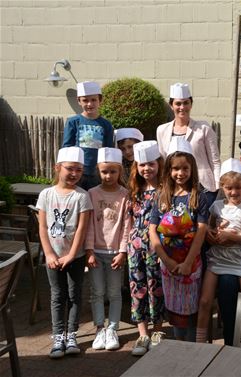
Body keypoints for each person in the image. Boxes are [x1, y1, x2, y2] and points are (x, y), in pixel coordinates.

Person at [148, 138, 208, 341]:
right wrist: (167, 259)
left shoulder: (198, 196)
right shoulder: (162, 196)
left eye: (185, 168)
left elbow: (201, 231)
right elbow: (152, 230)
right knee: (174, 307)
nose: (180, 173)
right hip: (169, 264)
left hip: (191, 263)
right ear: (168, 170)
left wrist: (189, 261)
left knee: (190, 306)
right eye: (175, 169)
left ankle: (189, 347)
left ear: (192, 169)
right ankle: (178, 345)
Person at [36, 147, 92, 358]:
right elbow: (42, 227)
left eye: (79, 170)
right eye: (70, 168)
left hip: (75, 257)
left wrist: (71, 255)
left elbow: (81, 229)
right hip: (53, 257)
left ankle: (72, 336)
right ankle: (58, 336)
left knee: (74, 294)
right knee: (57, 295)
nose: (74, 173)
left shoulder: (82, 196)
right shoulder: (46, 195)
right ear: (57, 168)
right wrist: (49, 254)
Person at [196, 159, 241, 342]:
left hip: (239, 261)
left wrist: (230, 237)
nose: (233, 192)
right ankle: (200, 340)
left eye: (238, 187)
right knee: (206, 301)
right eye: (229, 188)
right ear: (222, 187)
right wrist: (214, 233)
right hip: (217, 259)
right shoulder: (216, 207)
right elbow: (208, 230)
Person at [85, 148, 129, 351]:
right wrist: (90, 250)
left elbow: (126, 225)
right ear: (98, 171)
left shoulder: (125, 195)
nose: (108, 176)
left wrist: (122, 251)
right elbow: (89, 225)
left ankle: (112, 328)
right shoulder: (92, 194)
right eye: (104, 172)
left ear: (119, 171)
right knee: (97, 292)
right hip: (96, 252)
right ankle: (99, 328)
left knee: (114, 293)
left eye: (112, 171)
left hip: (114, 254)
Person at [125, 141, 165, 356]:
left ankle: (158, 330)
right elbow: (129, 220)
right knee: (137, 287)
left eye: (151, 164)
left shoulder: (165, 190)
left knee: (156, 287)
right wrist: (127, 245)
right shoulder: (134, 190)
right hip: (135, 247)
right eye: (142, 165)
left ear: (159, 164)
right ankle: (143, 333)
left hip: (156, 246)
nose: (146, 168)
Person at [156, 82, 221, 205]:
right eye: (178, 103)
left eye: (186, 103)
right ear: (171, 105)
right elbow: (164, 161)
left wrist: (218, 189)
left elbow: (215, 161)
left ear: (191, 104)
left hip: (204, 188)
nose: (182, 107)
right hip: (175, 187)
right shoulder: (162, 130)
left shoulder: (203, 128)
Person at [62, 81, 114, 190]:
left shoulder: (106, 125)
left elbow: (108, 150)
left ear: (100, 100)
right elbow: (67, 148)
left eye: (93, 100)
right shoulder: (73, 122)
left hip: (97, 174)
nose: (89, 104)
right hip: (77, 173)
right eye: (85, 100)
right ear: (79, 101)